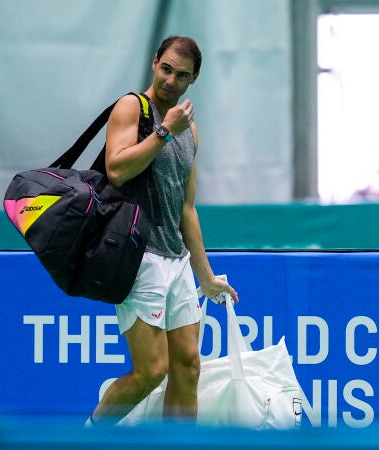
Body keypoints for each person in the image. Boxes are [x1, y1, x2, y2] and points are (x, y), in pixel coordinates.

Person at [89, 35, 239, 425]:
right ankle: (88, 437)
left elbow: (186, 208)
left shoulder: (190, 130)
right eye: (166, 69)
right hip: (138, 256)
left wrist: (204, 276)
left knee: (188, 367)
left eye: (182, 75)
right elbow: (117, 168)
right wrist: (163, 131)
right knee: (150, 371)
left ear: (194, 79)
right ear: (155, 62)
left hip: (176, 261)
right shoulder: (131, 108)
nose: (171, 80)